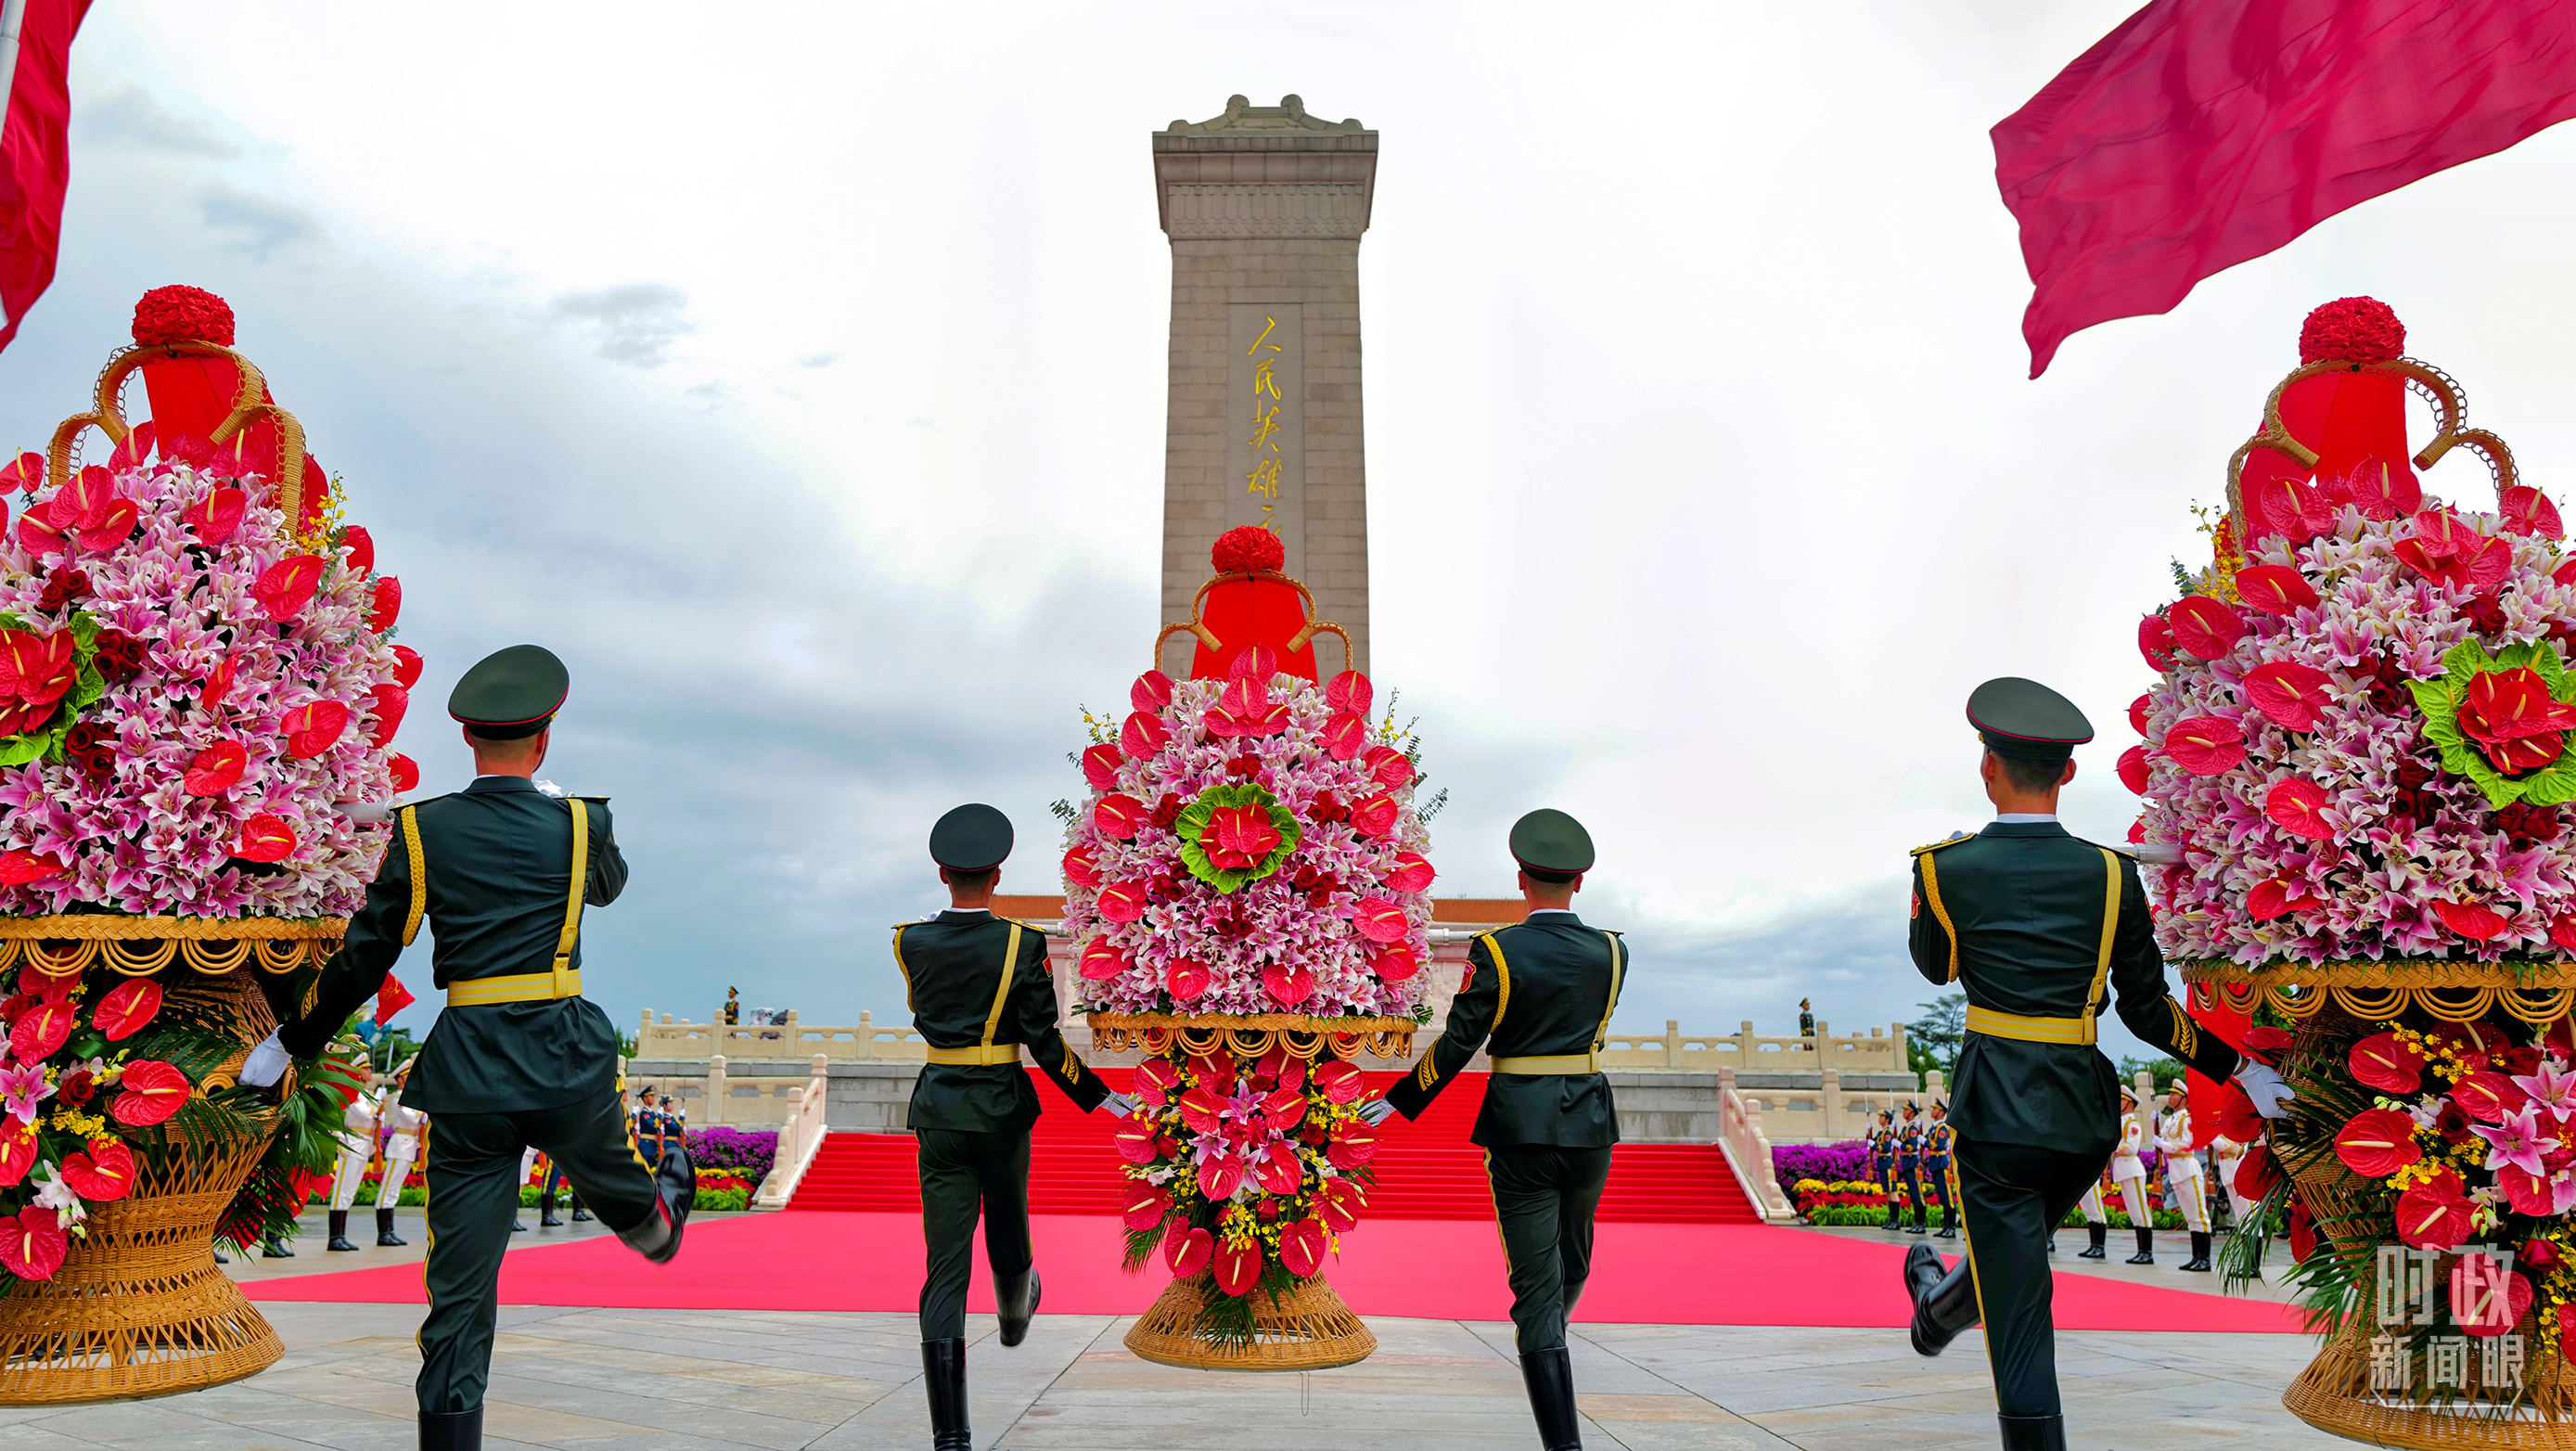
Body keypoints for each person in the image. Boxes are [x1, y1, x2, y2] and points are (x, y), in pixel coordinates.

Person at [238, 642, 694, 1451]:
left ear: (466, 737)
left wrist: (292, 1040)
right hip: (560, 1053)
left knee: (458, 1292)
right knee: (617, 1177)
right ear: (544, 738)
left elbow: (366, 955)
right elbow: (608, 886)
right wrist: (562, 808)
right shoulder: (582, 822)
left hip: (469, 1068)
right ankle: (652, 1223)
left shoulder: (421, 830)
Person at [1900, 677, 2293, 1451]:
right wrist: (2242, 1070)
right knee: (2010, 1257)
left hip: (1996, 1107)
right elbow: (2147, 1011)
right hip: (2081, 1113)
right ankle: (1934, 1312)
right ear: (2069, 773)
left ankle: (1961, 1346)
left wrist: (1938, 891)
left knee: (2018, 1299)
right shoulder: (2112, 874)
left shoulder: (1943, 868)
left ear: (1987, 765)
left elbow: (1935, 969)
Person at [1381, 808, 1623, 1451]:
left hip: (1520, 1125)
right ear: (1579, 881)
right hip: (1590, 1124)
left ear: (1521, 878)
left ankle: (1549, 1364)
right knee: (1572, 1263)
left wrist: (1403, 1099)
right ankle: (1555, 1385)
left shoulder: (1496, 951)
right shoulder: (1612, 951)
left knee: (1540, 1288)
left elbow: (1461, 1040)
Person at [898, 803, 1129, 1451]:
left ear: (942, 874)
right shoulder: (1021, 944)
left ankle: (950, 1436)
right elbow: (1042, 1041)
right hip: (999, 1103)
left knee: (944, 1265)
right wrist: (1101, 1099)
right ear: (996, 876)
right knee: (1007, 1221)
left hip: (938, 1107)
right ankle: (1012, 1314)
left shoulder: (908, 942)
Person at [2155, 1082, 2212, 1272]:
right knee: (2190, 1217)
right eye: (2170, 1094)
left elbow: (2187, 1144)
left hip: (2188, 1170)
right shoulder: (2170, 1121)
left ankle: (2205, 1259)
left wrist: (2164, 1145)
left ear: (2184, 1099)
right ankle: (2196, 1257)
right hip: (2176, 1171)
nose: (2170, 1097)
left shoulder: (2187, 1120)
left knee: (2199, 1216)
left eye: (2174, 1095)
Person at [327, 1061, 380, 1252]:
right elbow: (365, 1115)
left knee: (350, 1190)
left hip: (364, 1142)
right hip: (352, 1143)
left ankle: (341, 1236)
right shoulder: (354, 1093)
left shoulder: (365, 1095)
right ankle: (334, 1238)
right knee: (342, 1188)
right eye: (366, 1068)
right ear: (357, 1072)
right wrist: (378, 1101)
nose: (370, 1072)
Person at [376, 1065, 426, 1246]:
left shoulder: (410, 1098)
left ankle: (389, 1231)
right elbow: (412, 1118)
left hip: (408, 1145)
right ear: (400, 1080)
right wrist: (423, 1108)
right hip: (400, 1146)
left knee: (394, 1190)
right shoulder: (399, 1098)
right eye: (407, 1075)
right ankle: (383, 1234)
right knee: (388, 1189)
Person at [2109, 1087, 2153, 1265]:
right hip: (2123, 1170)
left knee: (2141, 1211)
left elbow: (2131, 1148)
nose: (2118, 1103)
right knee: (2135, 1213)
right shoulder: (2121, 1122)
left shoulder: (2132, 1124)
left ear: (2130, 1104)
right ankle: (2141, 1251)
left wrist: (2113, 1146)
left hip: (2132, 1169)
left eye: (2122, 1100)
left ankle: (2147, 1253)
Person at [1924, 1101, 1958, 1239]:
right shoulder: (1934, 1128)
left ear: (1941, 1112)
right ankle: (1946, 1227)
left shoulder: (1942, 1128)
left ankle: (1951, 1228)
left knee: (1948, 1196)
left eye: (1935, 1109)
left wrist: (1925, 1142)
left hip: (1941, 1164)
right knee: (1943, 1197)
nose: (1932, 1111)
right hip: (1935, 1163)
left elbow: (1939, 1146)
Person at [1894, 1102, 1928, 1235]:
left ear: (1912, 1113)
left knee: (1917, 1194)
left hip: (1913, 1163)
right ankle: (1917, 1223)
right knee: (1913, 1194)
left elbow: (1912, 1147)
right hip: (1907, 1163)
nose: (1904, 1113)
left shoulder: (1912, 1128)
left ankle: (1921, 1224)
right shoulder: (1906, 1128)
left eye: (1906, 1110)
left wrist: (1900, 1145)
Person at [1868, 1111, 1899, 1229]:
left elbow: (1885, 1148)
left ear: (1887, 1119)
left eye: (1882, 1117)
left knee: (1892, 1191)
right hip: (1882, 1163)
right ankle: (1892, 1220)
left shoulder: (1888, 1133)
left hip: (1887, 1163)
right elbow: (1874, 1141)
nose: (1880, 1118)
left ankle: (1895, 1221)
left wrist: (1874, 1145)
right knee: (1888, 1191)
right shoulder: (1881, 1132)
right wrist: (1868, 1133)